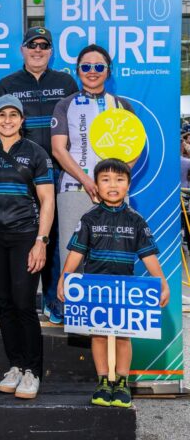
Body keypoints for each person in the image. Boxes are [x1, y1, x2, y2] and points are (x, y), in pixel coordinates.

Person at [57, 158, 169, 408]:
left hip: (126, 290)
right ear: (96, 185)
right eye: (105, 180)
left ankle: (121, 382)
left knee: (122, 338)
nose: (113, 185)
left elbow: (148, 256)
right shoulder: (89, 218)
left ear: (128, 185)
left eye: (119, 179)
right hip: (95, 288)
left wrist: (161, 282)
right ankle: (103, 382)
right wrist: (65, 278)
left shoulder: (136, 220)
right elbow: (76, 253)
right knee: (97, 336)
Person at [0, 95, 55, 400]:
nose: (7, 120)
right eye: (1, 115)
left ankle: (33, 371)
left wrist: (40, 241)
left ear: (22, 119)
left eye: (13, 115)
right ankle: (16, 365)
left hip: (25, 236)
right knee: (4, 303)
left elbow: (47, 201)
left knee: (23, 303)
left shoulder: (37, 153)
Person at [0, 26, 78, 325]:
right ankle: (25, 303)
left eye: (44, 45)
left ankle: (56, 302)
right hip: (19, 174)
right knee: (23, 236)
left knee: (53, 238)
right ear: (23, 49)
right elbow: (0, 129)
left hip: (57, 172)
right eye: (33, 44)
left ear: (51, 50)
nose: (38, 49)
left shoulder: (66, 82)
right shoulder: (7, 84)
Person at [51, 44, 138, 289]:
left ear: (108, 71)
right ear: (78, 70)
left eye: (98, 66)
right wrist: (88, 181)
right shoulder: (65, 105)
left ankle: (112, 324)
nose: (92, 71)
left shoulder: (121, 106)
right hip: (74, 190)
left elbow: (135, 148)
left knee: (114, 257)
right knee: (72, 258)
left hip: (114, 196)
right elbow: (58, 149)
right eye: (86, 66)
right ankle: (78, 325)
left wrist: (116, 182)